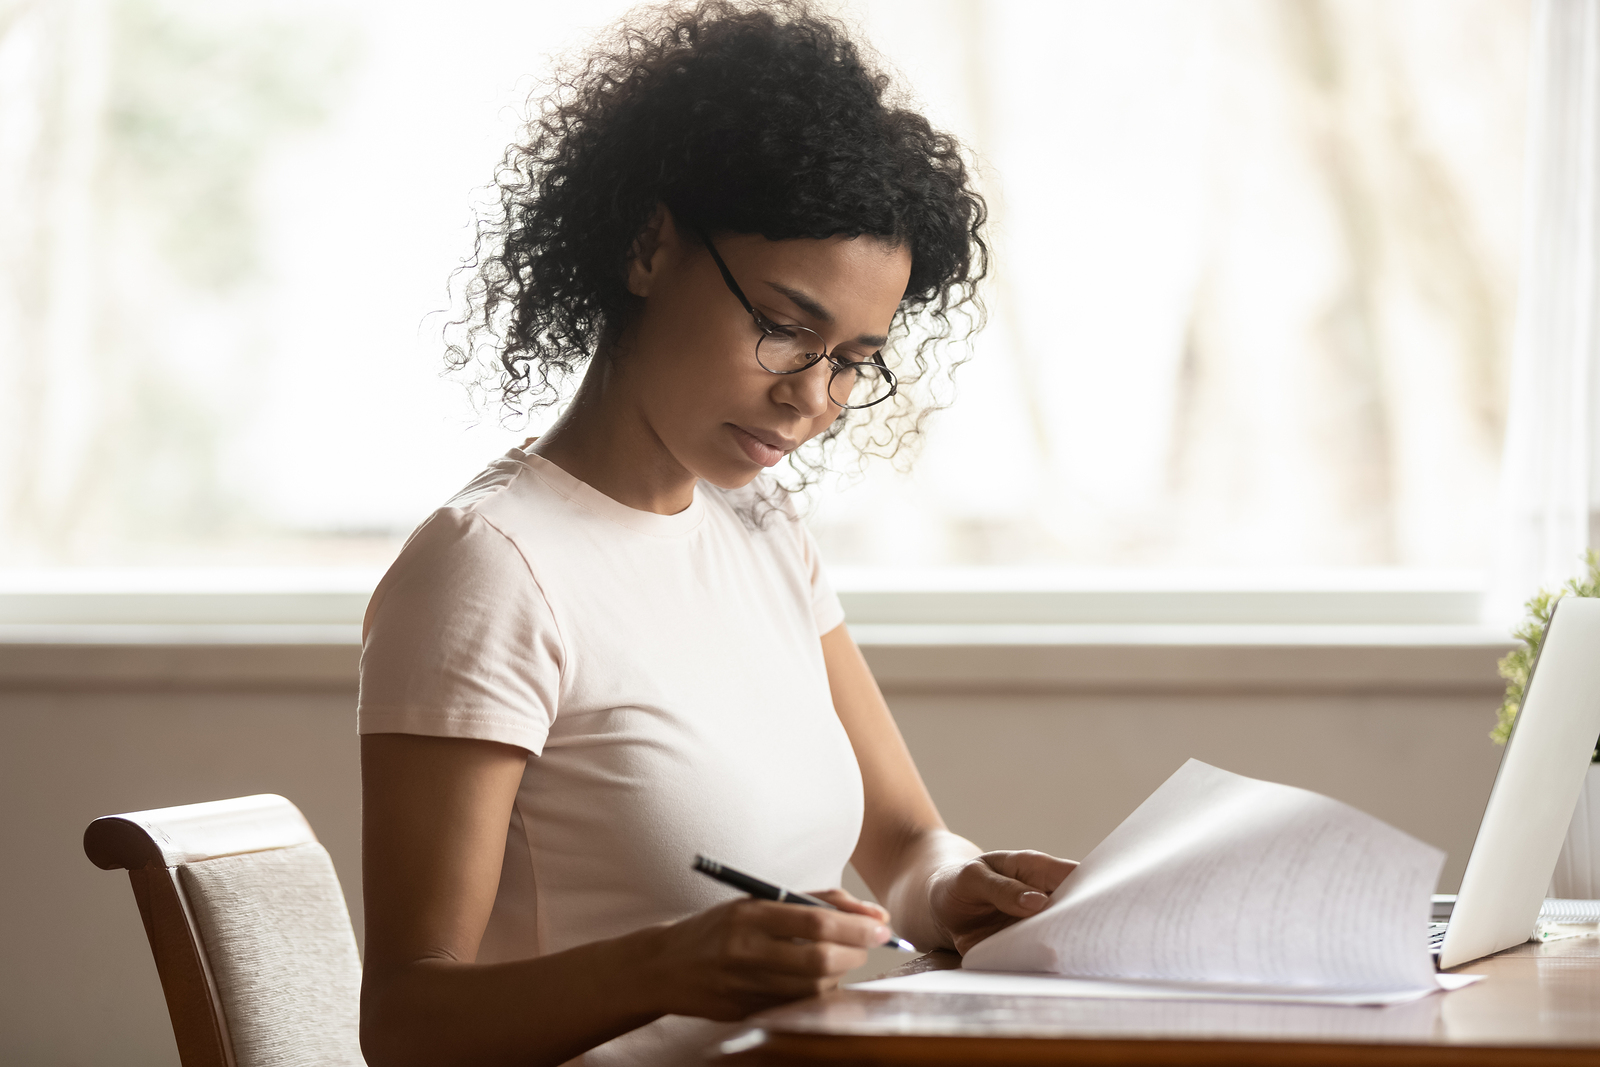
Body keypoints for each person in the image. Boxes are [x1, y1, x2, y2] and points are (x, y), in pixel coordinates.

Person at [356, 3, 1076, 1065]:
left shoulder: (760, 526)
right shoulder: (491, 567)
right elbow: (410, 1023)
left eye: (850, 358)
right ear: (650, 246)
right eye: (784, 328)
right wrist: (669, 964)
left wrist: (960, 889)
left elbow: (905, 842)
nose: (813, 399)